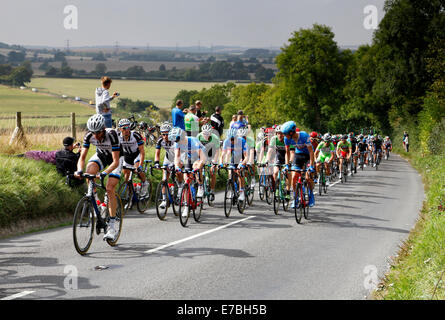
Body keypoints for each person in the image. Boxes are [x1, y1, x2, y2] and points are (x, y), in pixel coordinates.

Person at [75, 114, 123, 241]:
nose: (95, 136)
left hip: (115, 159)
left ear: (103, 129)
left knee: (110, 188)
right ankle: (98, 203)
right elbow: (82, 158)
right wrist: (79, 170)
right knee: (89, 171)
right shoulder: (89, 136)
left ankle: (112, 226)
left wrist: (104, 173)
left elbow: (115, 161)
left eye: (98, 133)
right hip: (101, 155)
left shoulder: (111, 134)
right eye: (93, 132)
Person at [282, 121, 316, 208]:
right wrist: (286, 165)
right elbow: (287, 152)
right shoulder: (287, 139)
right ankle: (296, 198)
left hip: (308, 155)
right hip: (298, 155)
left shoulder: (304, 135)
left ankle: (311, 195)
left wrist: (311, 166)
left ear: (291, 132)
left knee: (308, 177)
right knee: (294, 177)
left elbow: (311, 152)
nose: (284, 136)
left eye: (285, 134)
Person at [117, 119, 150, 197]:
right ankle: (130, 193)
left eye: (128, 127)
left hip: (136, 155)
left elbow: (142, 151)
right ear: (120, 129)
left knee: (137, 169)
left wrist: (141, 165)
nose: (126, 130)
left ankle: (145, 183)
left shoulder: (135, 135)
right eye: (124, 128)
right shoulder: (118, 136)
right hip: (127, 156)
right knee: (126, 177)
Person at [197, 124, 221, 199]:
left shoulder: (215, 138)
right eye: (204, 134)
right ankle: (200, 187)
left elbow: (217, 151)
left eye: (208, 134)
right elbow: (196, 148)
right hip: (203, 154)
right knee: (198, 168)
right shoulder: (199, 136)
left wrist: (214, 162)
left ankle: (212, 191)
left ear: (211, 133)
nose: (206, 136)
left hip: (212, 155)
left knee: (212, 171)